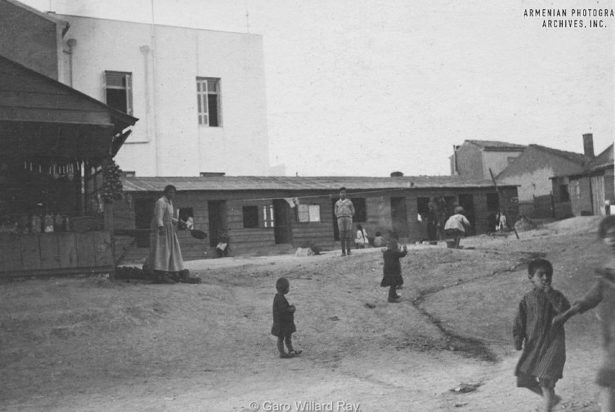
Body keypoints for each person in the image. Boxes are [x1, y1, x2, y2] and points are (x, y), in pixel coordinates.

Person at [553, 216, 615, 412]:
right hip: (612, 338)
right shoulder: (607, 270)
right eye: (608, 236)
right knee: (609, 383)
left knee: (608, 382)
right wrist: (566, 315)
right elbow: (591, 297)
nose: (612, 239)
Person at [513, 258, 570, 412]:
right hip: (534, 346)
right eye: (541, 275)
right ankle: (552, 399)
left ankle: (548, 405)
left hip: (553, 345)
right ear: (531, 277)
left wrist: (550, 293)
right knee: (524, 378)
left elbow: (565, 310)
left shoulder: (555, 296)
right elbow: (519, 321)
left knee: (546, 382)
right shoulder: (527, 299)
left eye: (549, 274)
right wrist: (518, 339)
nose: (546, 278)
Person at [148, 185, 184, 284]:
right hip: (162, 229)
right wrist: (161, 228)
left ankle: (170, 272)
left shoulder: (170, 202)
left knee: (171, 250)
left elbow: (169, 217)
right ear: (166, 192)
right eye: (170, 192)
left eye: (173, 193)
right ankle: (161, 275)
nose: (172, 194)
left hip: (170, 229)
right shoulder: (161, 202)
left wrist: (177, 221)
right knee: (163, 251)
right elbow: (159, 217)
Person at [271, 277, 302, 359]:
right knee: (282, 338)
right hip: (282, 324)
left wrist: (289, 308)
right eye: (288, 287)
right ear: (284, 289)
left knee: (286, 337)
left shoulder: (278, 297)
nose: (289, 289)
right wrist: (292, 309)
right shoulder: (280, 299)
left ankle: (290, 350)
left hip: (282, 323)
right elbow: (284, 311)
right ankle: (283, 353)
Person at [380, 238, 408, 303]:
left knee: (393, 284)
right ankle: (391, 298)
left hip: (387, 271)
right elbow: (402, 254)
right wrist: (405, 249)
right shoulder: (395, 252)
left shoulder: (386, 253)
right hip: (394, 271)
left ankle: (394, 295)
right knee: (393, 284)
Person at [334, 187, 355, 256]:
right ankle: (343, 252)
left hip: (348, 218)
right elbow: (335, 211)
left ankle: (349, 251)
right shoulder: (337, 203)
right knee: (342, 235)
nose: (343, 194)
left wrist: (349, 216)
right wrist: (339, 216)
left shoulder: (349, 202)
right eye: (341, 193)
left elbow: (353, 211)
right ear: (339, 194)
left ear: (346, 194)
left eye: (344, 193)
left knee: (348, 235)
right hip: (340, 219)